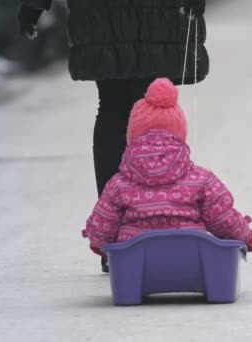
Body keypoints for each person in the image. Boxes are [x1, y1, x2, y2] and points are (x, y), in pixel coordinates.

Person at [18, 0, 209, 272]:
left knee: (112, 106)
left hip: (101, 11)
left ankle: (117, 238)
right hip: (159, 11)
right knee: (152, 103)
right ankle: (159, 230)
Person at [82, 78, 252, 255]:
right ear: (180, 134)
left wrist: (99, 242)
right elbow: (222, 217)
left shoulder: (118, 184)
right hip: (189, 257)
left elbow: (103, 222)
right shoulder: (200, 179)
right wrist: (245, 236)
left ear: (131, 135)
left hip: (136, 261)